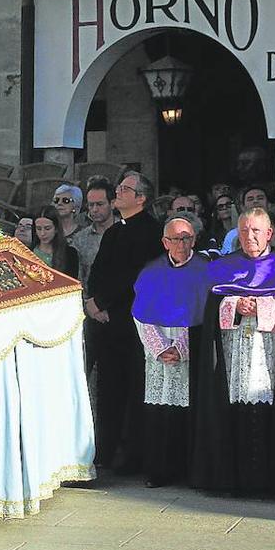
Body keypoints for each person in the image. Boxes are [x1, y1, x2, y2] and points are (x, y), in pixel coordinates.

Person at [192, 207, 275, 497]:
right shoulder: (223, 267)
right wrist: (232, 306)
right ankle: (230, 480)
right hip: (234, 359)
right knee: (234, 411)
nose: (250, 236)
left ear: (269, 233)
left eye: (256, 230)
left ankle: (273, 482)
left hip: (273, 359)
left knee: (272, 411)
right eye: (244, 230)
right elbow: (210, 315)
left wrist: (263, 306)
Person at [86, 171, 164, 471]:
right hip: (105, 322)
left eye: (125, 188)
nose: (118, 191)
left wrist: (104, 303)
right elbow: (99, 271)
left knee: (132, 389)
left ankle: (131, 456)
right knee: (108, 390)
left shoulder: (149, 232)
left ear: (141, 197)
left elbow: (135, 276)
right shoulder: (114, 232)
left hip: (131, 322)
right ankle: (105, 452)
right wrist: (93, 302)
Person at [131, 213, 210, 488]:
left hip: (191, 349)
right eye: (175, 239)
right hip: (158, 351)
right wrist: (160, 348)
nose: (181, 244)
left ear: (194, 240)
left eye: (186, 238)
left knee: (190, 411)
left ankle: (191, 471)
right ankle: (159, 471)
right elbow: (140, 314)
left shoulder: (205, 270)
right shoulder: (151, 272)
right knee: (159, 410)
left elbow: (205, 314)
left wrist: (182, 349)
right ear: (165, 242)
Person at [71, 178, 116, 290]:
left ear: (112, 203)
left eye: (100, 204)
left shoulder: (126, 233)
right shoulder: (80, 239)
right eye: (91, 205)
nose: (95, 209)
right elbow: (78, 278)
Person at [220, 183, 271, 255]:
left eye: (260, 198)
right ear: (242, 207)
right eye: (250, 199)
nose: (255, 201)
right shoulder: (232, 236)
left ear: (269, 204)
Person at [31, 205, 79, 277]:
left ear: (56, 228)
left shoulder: (70, 254)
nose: (42, 233)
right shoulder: (27, 251)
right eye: (39, 228)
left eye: (47, 228)